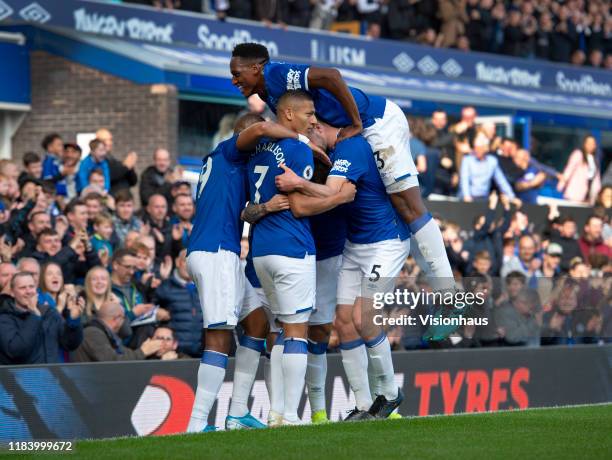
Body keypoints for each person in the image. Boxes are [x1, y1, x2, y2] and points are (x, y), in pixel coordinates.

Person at [230, 43, 454, 291]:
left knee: (408, 205)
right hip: (345, 135)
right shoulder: (265, 92)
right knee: (397, 207)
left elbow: (331, 76)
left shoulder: (275, 75)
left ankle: (449, 291)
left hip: (376, 121)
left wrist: (357, 122)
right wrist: (306, 142)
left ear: (256, 68)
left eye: (237, 74)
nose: (233, 80)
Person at [277, 112, 408, 420]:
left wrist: (298, 183)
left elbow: (338, 193)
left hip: (385, 243)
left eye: (313, 128)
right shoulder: (337, 151)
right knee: (344, 322)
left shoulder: (351, 147)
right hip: (355, 246)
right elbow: (339, 194)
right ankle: (364, 404)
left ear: (323, 126)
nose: (310, 133)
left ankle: (389, 394)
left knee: (364, 318)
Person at [186, 111, 308, 432]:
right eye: (260, 139)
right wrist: (300, 137)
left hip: (216, 250)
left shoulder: (227, 165)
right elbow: (264, 127)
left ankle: (237, 412)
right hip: (217, 252)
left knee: (256, 323)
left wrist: (266, 207)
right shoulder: (230, 150)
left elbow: (242, 209)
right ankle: (197, 423)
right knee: (219, 334)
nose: (265, 144)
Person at [0, 272, 83, 364]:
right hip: (23, 378)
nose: (28, 291)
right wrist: (34, 316)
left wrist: (73, 321)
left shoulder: (49, 313)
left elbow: (69, 344)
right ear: (12, 293)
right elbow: (16, 350)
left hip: (51, 376)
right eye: (22, 288)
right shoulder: (4, 318)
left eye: (31, 286)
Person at [71, 300, 162, 362]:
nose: (124, 322)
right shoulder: (93, 333)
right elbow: (112, 361)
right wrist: (142, 352)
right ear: (117, 319)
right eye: (123, 318)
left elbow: (122, 352)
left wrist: (142, 350)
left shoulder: (104, 333)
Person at [154, 250, 203, 357]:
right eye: (186, 261)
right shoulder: (165, 287)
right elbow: (150, 309)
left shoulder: (205, 288)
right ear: (178, 262)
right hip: (174, 354)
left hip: (201, 353)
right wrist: (156, 312)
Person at [460, 132, 515, 201]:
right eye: (476, 148)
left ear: (485, 148)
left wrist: (512, 197)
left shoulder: (492, 161)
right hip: (468, 198)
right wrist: (466, 196)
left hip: (483, 198)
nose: (476, 150)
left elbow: (501, 181)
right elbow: (464, 179)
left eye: (480, 148)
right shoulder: (467, 160)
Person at [558, 135, 602, 204]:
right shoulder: (578, 154)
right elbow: (569, 169)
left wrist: (597, 194)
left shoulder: (595, 159)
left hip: (588, 195)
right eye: (588, 143)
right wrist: (561, 186)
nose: (590, 146)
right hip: (575, 192)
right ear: (584, 144)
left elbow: (596, 179)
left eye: (593, 144)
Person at [95, 128, 138, 196]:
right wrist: (126, 167)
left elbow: (133, 181)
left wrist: (130, 167)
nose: (108, 143)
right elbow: (108, 176)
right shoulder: (94, 160)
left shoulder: (113, 160)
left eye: (110, 140)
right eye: (104, 140)